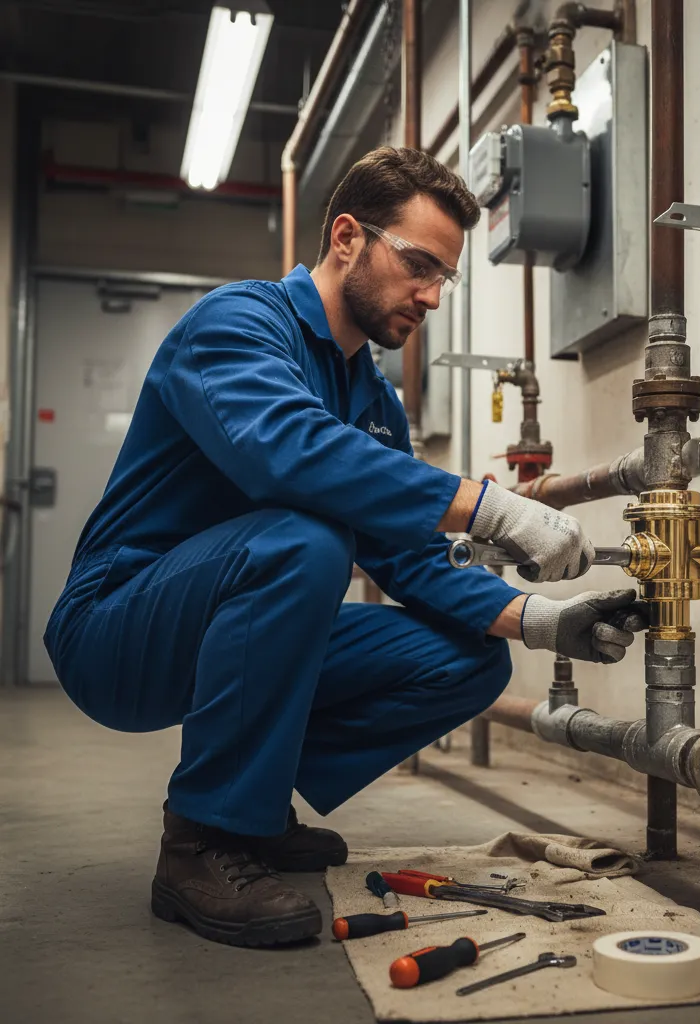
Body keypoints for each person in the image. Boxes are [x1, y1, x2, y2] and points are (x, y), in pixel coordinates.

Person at [43, 147, 646, 948]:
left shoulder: (374, 403)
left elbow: (409, 560)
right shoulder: (238, 323)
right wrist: (486, 506)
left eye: (445, 279)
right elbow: (283, 448)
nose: (431, 295)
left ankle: (248, 807)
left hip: (237, 630)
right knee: (306, 536)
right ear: (347, 237)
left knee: (469, 660)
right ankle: (202, 840)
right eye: (419, 264)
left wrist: (541, 619)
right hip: (118, 629)